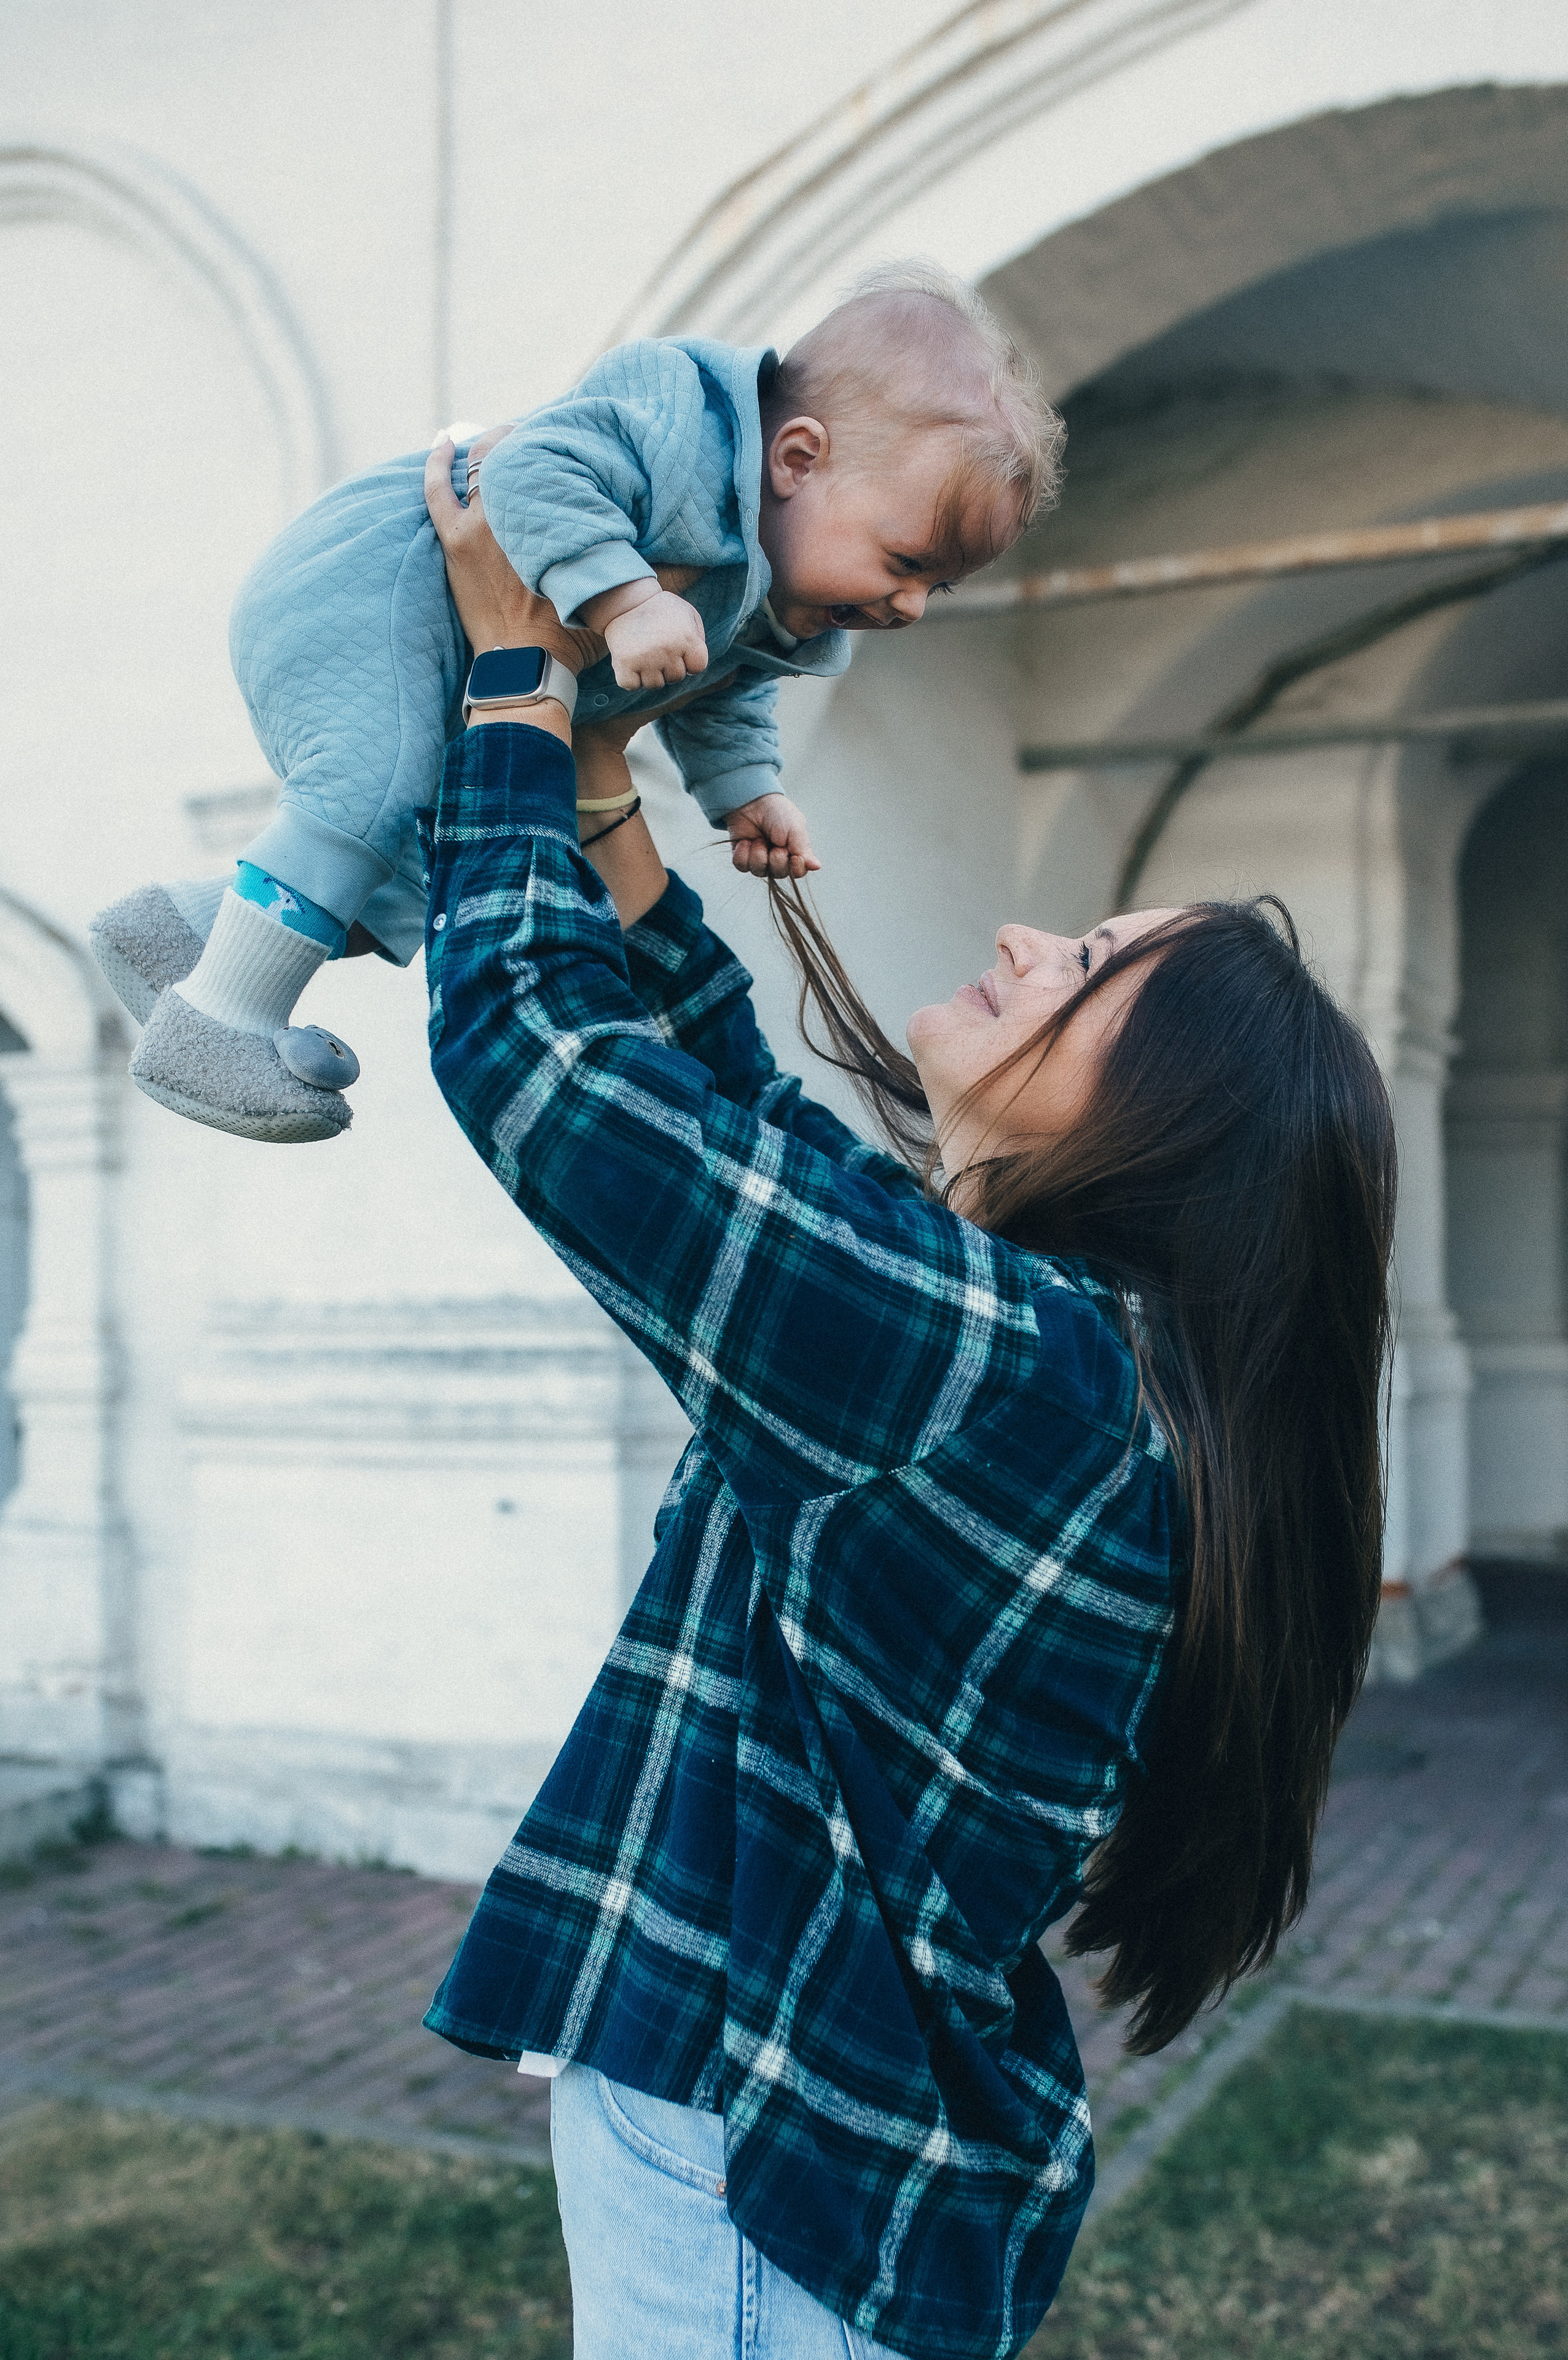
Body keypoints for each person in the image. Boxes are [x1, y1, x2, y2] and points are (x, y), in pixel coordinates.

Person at [413, 442, 1398, 2360]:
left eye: (1094, 964)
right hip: (842, 2142)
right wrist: (610, 788)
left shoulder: (1007, 1368)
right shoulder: (1076, 1367)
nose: (1031, 937)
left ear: (1170, 1122)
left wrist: (517, 686)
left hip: (768, 2149)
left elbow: (542, 1059)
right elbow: (754, 1132)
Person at [88, 263, 1062, 1146]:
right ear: (798, 459)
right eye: (906, 562)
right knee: (373, 790)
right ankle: (220, 1022)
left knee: (438, 861)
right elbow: (530, 470)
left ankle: (180, 936)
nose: (909, 606)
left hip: (457, 641)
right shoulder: (681, 422)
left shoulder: (785, 603)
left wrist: (746, 791)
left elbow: (722, 693)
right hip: (376, 584)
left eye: (938, 587)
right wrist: (625, 599)